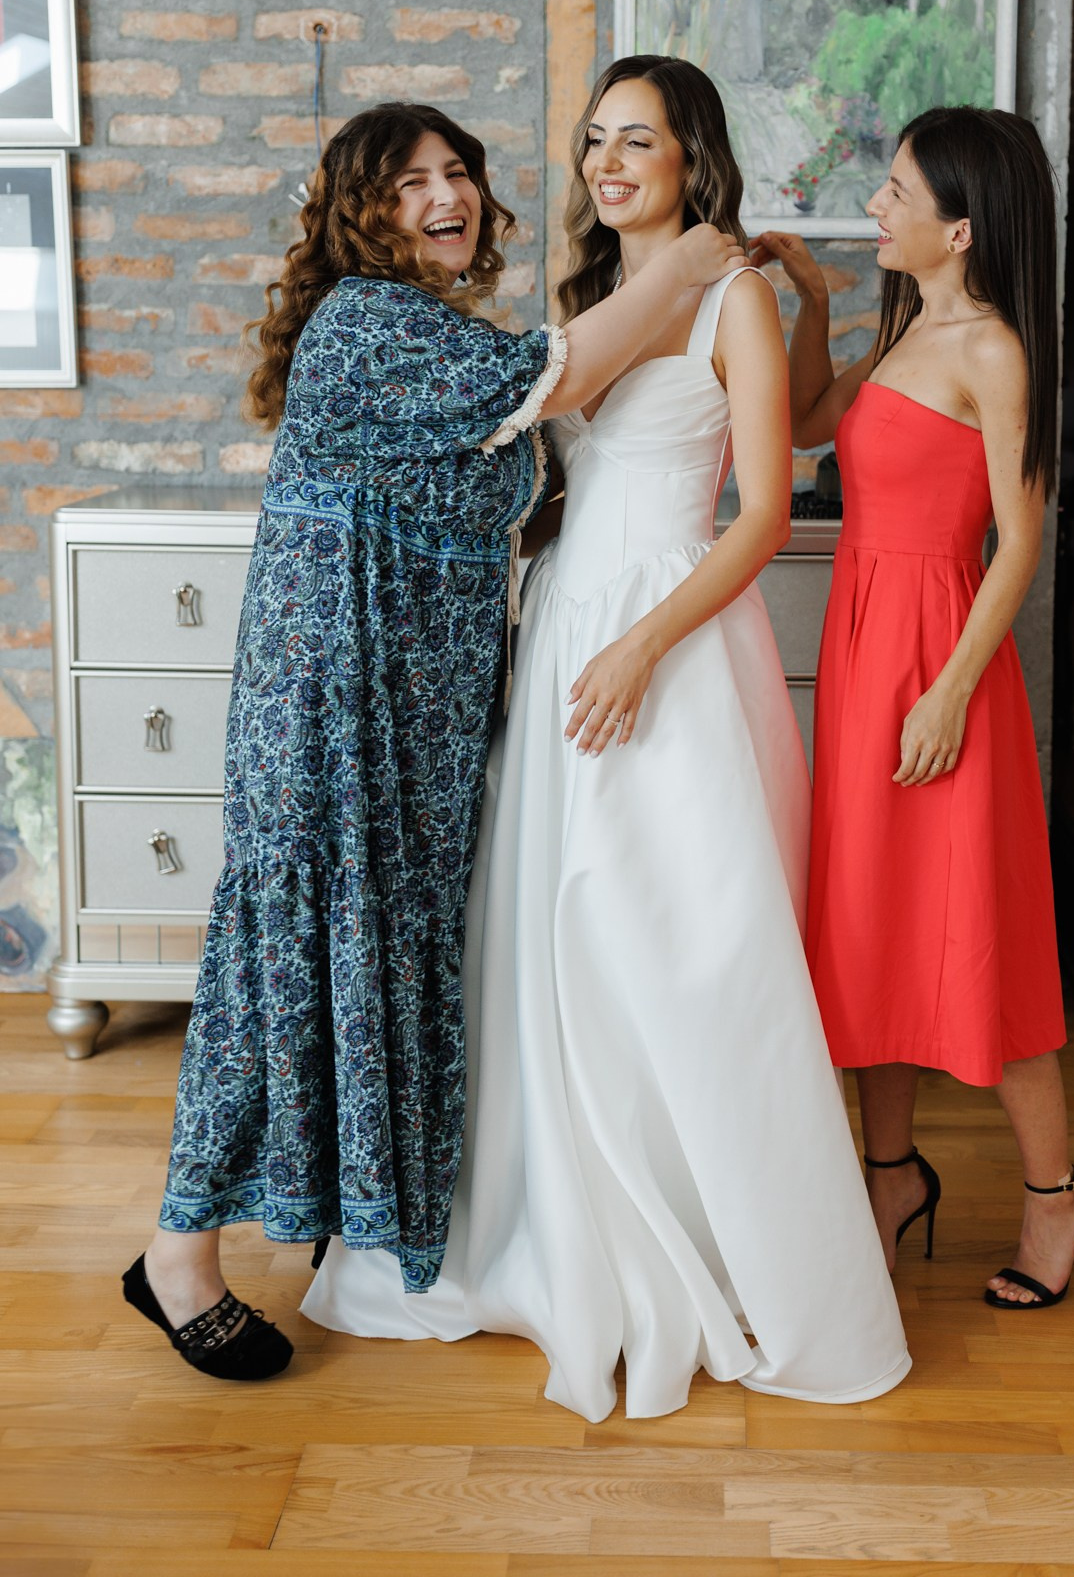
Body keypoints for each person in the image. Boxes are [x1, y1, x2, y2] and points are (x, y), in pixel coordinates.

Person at [304, 57, 911, 1419]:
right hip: (566, 624)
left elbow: (765, 513)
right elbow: (539, 477)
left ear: (693, 156)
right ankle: (557, 1222)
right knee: (550, 937)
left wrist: (643, 644)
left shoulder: (733, 295)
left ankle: (723, 1239)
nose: (609, 163)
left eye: (639, 140)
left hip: (671, 637)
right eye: (595, 140)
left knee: (677, 941)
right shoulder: (585, 305)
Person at [124, 100, 745, 1380]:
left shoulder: (440, 332)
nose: (446, 196)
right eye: (410, 182)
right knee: (283, 965)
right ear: (363, 212)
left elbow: (529, 481)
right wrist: (685, 266)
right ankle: (177, 1256)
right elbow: (553, 376)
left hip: (417, 719)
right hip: (332, 702)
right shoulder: (368, 321)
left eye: (457, 172)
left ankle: (346, 1218)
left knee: (366, 958)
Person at [755, 106, 1074, 1311]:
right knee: (868, 925)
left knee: (976, 929)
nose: (877, 204)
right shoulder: (906, 328)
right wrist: (813, 303)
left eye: (897, 189)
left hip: (941, 666)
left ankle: (1056, 1195)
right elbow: (805, 424)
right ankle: (890, 1176)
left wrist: (949, 690)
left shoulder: (995, 349)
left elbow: (1022, 540)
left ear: (960, 227)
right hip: (865, 659)